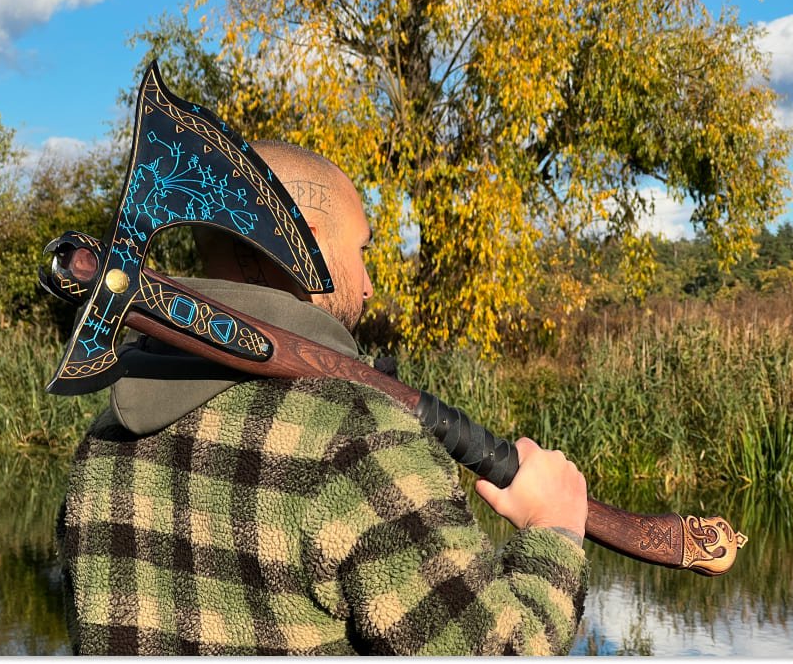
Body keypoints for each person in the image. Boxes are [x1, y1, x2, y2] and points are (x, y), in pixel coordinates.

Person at [56, 140, 589, 655]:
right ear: (305, 243)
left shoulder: (104, 441)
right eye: (362, 252)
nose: (369, 285)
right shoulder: (356, 439)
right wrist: (556, 528)